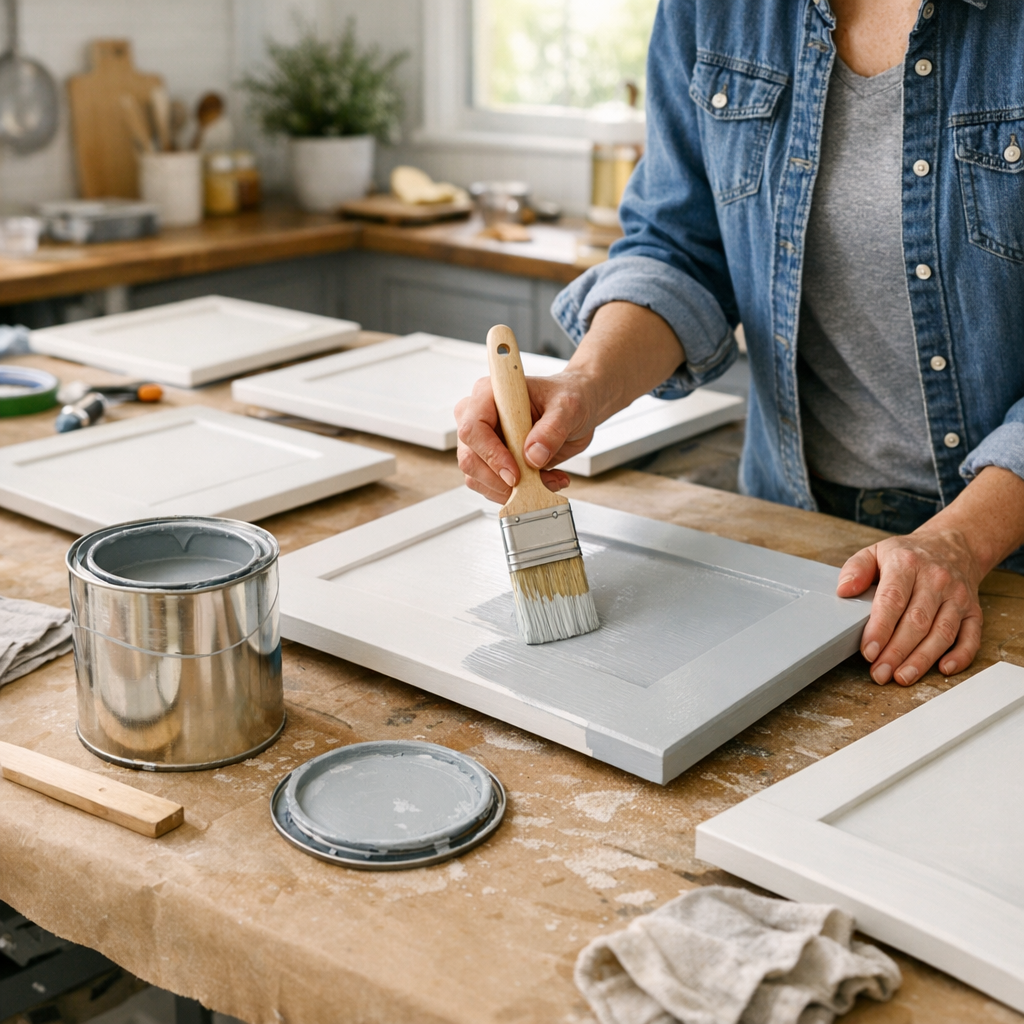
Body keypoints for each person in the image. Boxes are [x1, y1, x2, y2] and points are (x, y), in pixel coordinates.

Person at [455, 0, 1024, 686]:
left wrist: (961, 540)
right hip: (791, 529)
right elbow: (680, 247)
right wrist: (584, 383)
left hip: (1004, 550)